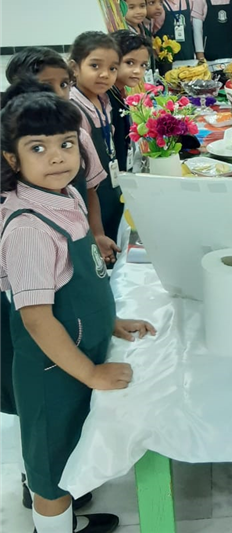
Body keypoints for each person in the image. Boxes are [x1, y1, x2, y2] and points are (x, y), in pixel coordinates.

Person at [0, 87, 156, 533]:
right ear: (12, 159)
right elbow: (36, 319)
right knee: (50, 471)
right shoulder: (29, 229)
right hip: (51, 370)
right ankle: (52, 525)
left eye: (66, 144)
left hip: (75, 352)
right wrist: (90, 374)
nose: (57, 157)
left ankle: (63, 513)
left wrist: (111, 322)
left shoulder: (66, 196)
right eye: (38, 148)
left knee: (66, 448)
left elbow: (83, 279)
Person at [4, 48, 119, 263]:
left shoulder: (79, 136)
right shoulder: (10, 143)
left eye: (64, 84)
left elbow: (90, 190)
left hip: (76, 243)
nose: (59, 93)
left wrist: (97, 234)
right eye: (46, 86)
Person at [69, 32, 124, 245]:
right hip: (92, 198)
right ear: (74, 68)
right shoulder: (75, 110)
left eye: (112, 68)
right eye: (95, 66)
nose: (104, 74)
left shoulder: (104, 100)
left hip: (110, 188)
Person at [109, 31, 153, 172]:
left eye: (143, 65)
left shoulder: (120, 92)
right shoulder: (106, 98)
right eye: (130, 63)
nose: (138, 71)